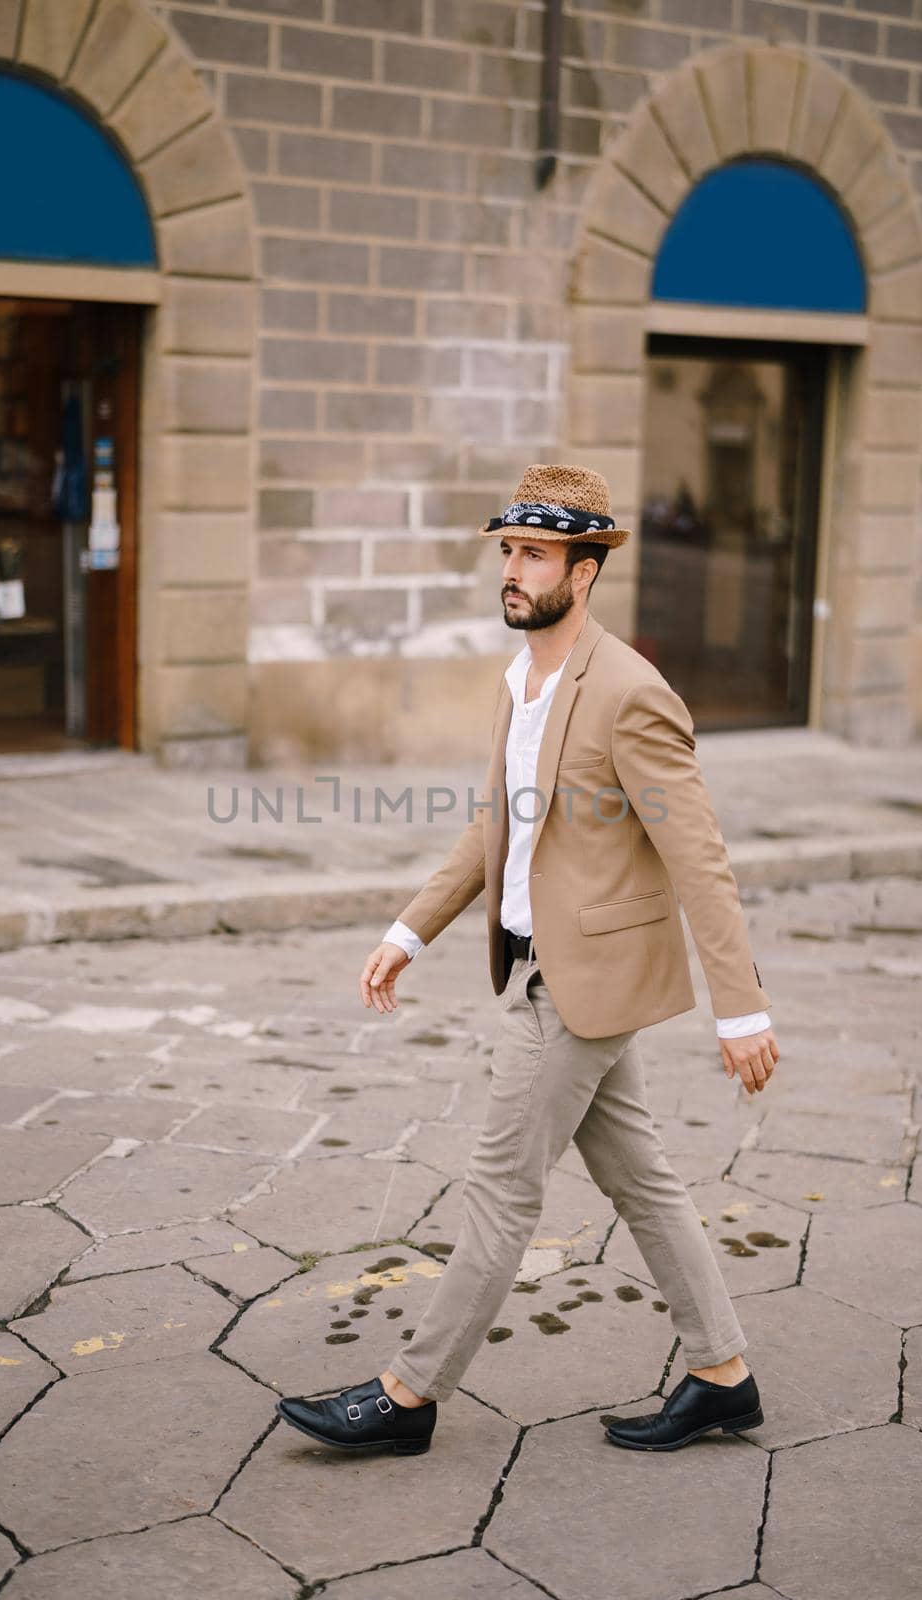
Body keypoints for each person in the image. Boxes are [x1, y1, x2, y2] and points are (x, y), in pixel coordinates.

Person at [277, 464, 779, 1457]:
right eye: (506, 548)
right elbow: (495, 828)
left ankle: (406, 1394)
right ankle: (722, 1371)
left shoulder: (628, 693)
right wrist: (410, 928)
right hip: (543, 964)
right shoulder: (524, 681)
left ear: (583, 571)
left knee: (500, 1189)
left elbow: (696, 852)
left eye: (534, 553)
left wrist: (741, 1008)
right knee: (643, 1181)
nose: (511, 569)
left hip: (569, 984)